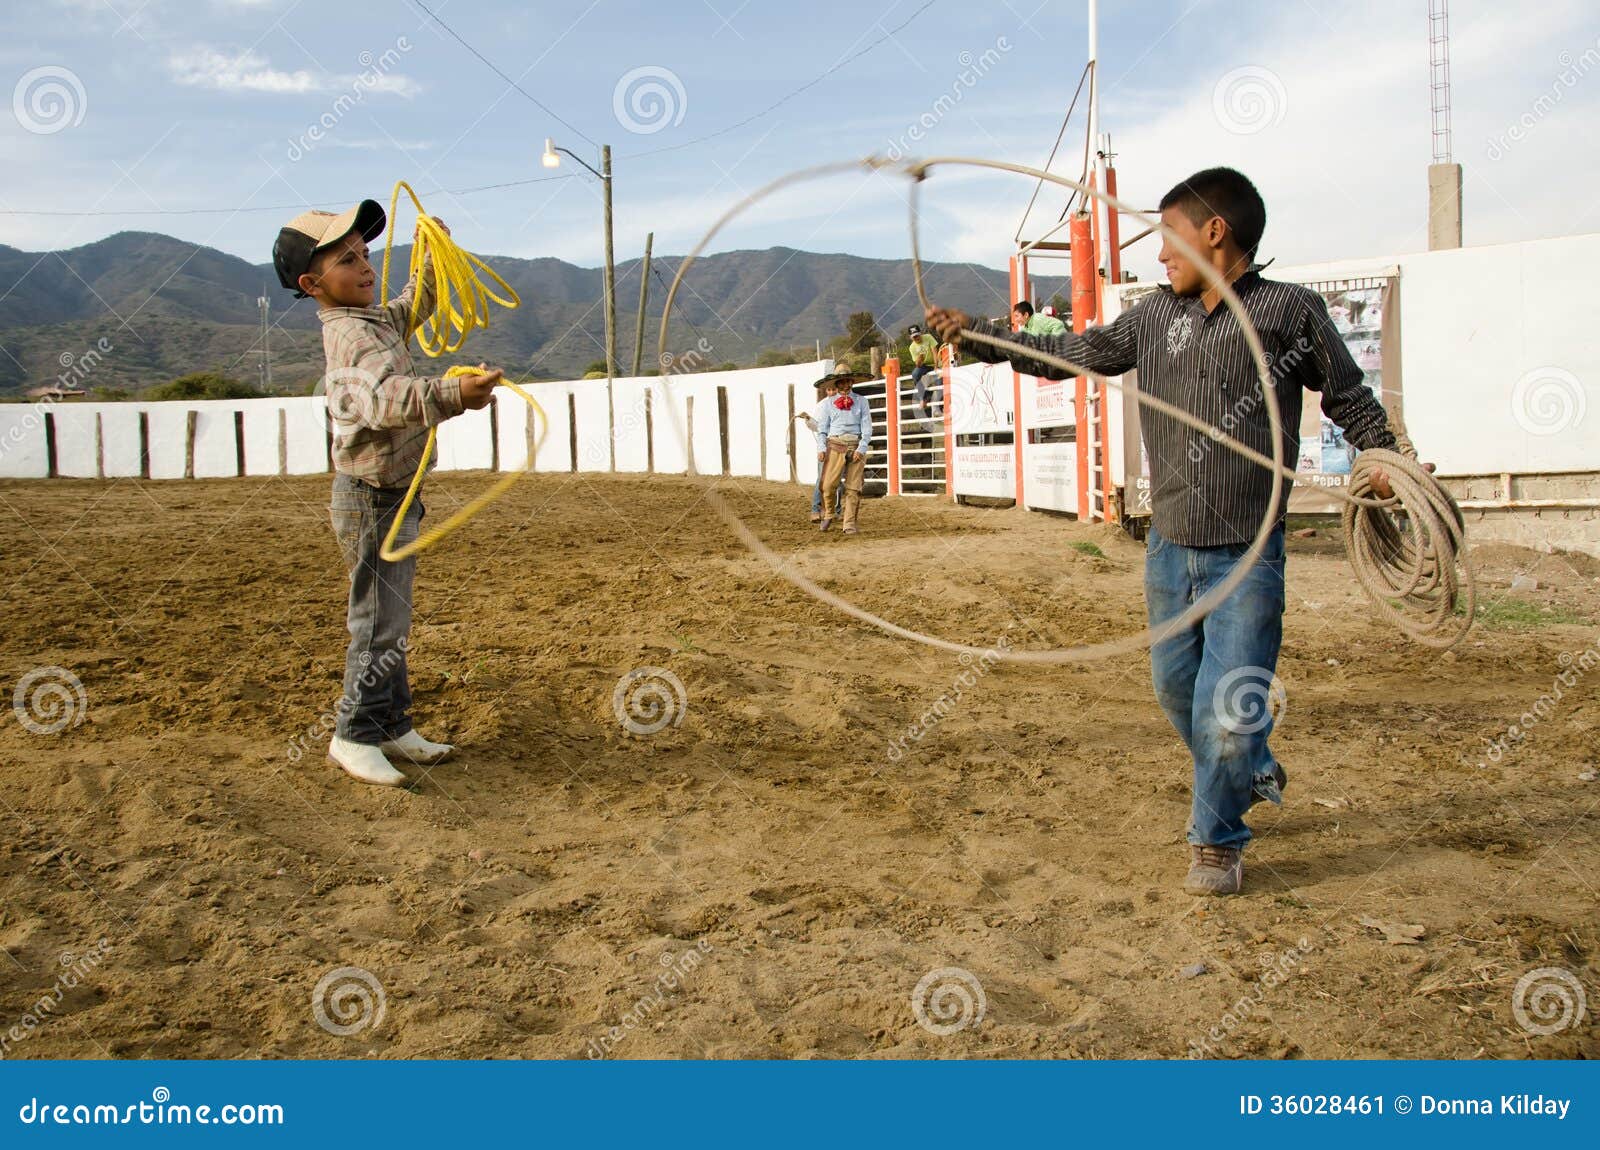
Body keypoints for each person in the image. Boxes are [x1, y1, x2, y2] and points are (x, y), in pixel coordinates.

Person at [928, 167, 1408, 896]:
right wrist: (980, 337)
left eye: (1167, 237)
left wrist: (1387, 462)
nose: (1158, 257)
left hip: (1249, 553)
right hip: (1169, 546)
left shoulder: (1289, 313)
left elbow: (1352, 399)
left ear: (1216, 231)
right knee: (1174, 689)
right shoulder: (1154, 318)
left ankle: (1216, 842)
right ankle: (1248, 765)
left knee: (1225, 707)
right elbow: (1073, 355)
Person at [274, 200, 502, 788]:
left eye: (365, 253)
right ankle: (352, 733)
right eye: (347, 260)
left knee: (389, 619)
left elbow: (412, 306)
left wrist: (430, 262)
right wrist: (454, 393)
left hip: (390, 495)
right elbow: (385, 399)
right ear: (312, 284)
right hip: (373, 498)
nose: (365, 265)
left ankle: (392, 725)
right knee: (377, 623)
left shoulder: (371, 320)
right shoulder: (351, 336)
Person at [815, 374, 873, 535]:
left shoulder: (862, 401)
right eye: (842, 382)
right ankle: (829, 513)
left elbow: (867, 427)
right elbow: (822, 429)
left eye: (849, 381)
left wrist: (861, 449)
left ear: (852, 382)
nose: (846, 385)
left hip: (855, 444)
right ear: (837, 383)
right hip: (835, 445)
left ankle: (849, 523)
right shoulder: (828, 403)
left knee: (853, 488)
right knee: (827, 485)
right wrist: (821, 448)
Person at [797, 375, 845, 522]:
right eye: (828, 389)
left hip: (841, 445)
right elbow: (818, 427)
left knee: (836, 480)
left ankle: (834, 509)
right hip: (827, 445)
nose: (831, 392)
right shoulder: (822, 405)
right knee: (822, 479)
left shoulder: (844, 403)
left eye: (833, 389)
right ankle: (817, 509)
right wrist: (809, 420)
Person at [907, 324, 941, 419]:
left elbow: (934, 351)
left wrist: (936, 365)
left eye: (917, 335)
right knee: (915, 373)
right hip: (924, 366)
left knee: (939, 382)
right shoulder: (912, 347)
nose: (916, 337)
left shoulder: (928, 337)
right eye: (914, 336)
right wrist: (919, 360)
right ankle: (923, 398)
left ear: (920, 333)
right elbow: (917, 365)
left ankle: (937, 406)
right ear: (911, 337)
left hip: (934, 363)